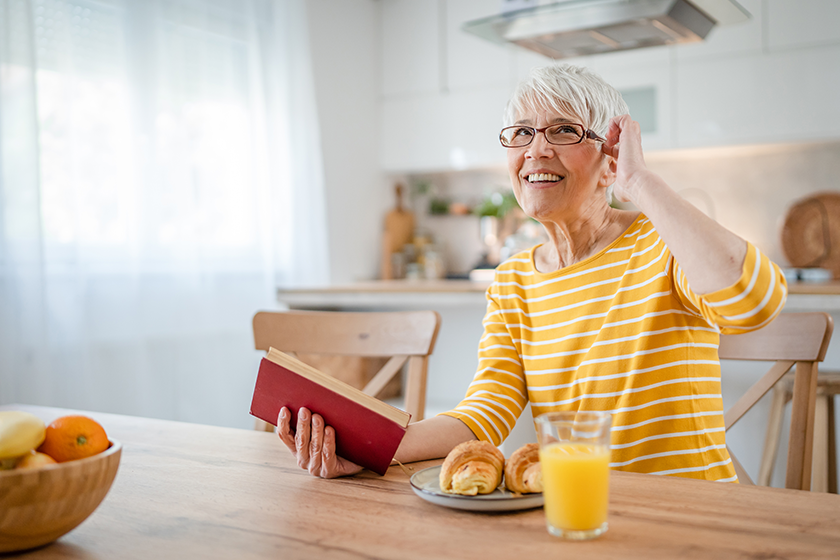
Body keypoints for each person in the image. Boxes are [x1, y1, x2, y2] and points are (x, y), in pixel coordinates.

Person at [276, 64, 787, 482]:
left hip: (688, 519)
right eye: (521, 133)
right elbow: (483, 413)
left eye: (563, 131)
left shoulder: (663, 242)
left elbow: (756, 303)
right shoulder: (515, 280)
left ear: (609, 162)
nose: (536, 149)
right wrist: (373, 449)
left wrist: (641, 181)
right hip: (574, 514)